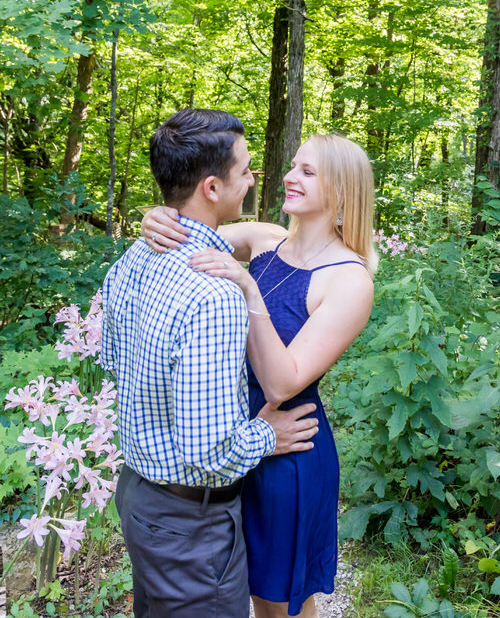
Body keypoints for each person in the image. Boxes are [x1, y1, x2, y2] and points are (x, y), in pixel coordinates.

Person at [141, 132, 377, 618]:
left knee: (277, 606)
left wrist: (250, 291)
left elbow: (282, 383)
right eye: (293, 166)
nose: (289, 177)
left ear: (343, 190)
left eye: (308, 172)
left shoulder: (350, 280)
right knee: (228, 589)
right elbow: (188, 237)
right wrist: (156, 219)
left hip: (286, 449)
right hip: (229, 442)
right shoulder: (264, 238)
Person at [101, 109, 320, 618]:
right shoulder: (216, 294)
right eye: (245, 170)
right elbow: (208, 453)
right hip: (189, 526)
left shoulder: (135, 256)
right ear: (212, 187)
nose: (254, 178)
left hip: (138, 497)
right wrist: (269, 434)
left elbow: (113, 360)